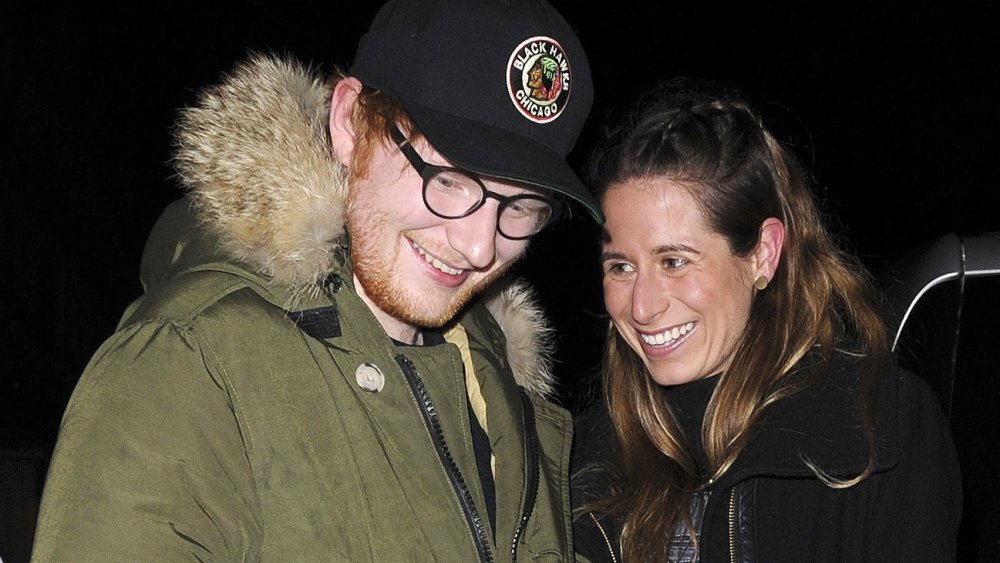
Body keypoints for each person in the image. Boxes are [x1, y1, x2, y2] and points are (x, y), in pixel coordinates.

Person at [30, 1, 603, 561]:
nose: (479, 247)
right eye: (449, 179)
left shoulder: (502, 388)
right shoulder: (192, 366)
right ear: (350, 123)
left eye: (522, 206)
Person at [571, 80, 962, 562]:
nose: (642, 307)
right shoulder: (584, 455)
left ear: (762, 253)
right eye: (621, 267)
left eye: (674, 261)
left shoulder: (881, 430)